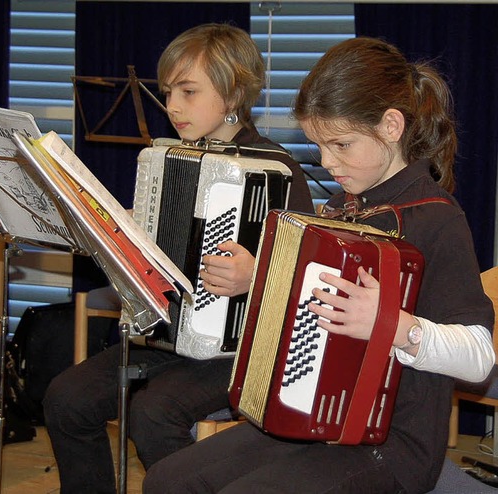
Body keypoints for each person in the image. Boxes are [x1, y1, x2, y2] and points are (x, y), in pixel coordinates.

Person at [142, 36, 497, 494]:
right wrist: (262, 278)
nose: (328, 163)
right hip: (309, 419)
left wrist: (390, 323)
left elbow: (478, 356)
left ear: (391, 126)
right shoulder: (341, 208)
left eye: (341, 145)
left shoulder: (436, 218)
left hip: (392, 445)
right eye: (319, 147)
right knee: (168, 480)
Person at [43, 23, 314, 494]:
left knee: (153, 415)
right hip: (164, 336)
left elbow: (309, 275)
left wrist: (258, 274)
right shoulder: (165, 160)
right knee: (66, 399)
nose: (172, 107)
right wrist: (122, 235)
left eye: (189, 92)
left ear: (233, 94)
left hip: (238, 350)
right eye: (168, 92)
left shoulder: (278, 170)